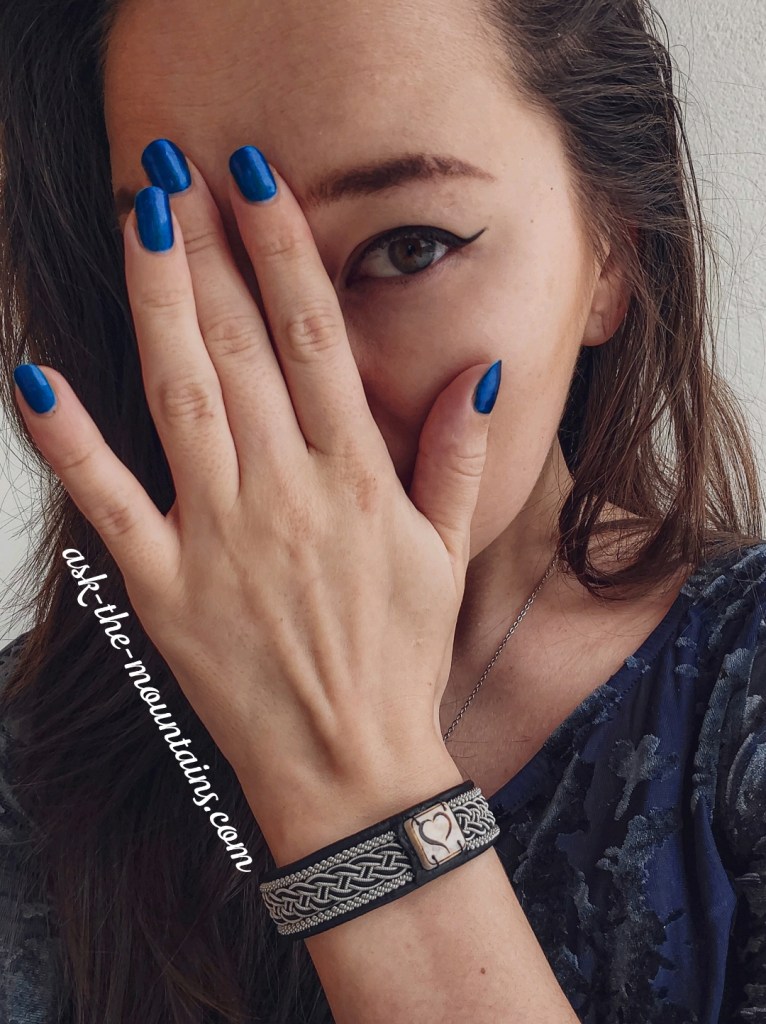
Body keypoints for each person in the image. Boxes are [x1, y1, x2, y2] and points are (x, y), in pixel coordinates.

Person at [0, 0, 764, 1020]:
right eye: (179, 267)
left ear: (611, 256)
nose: (287, 377)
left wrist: (353, 786)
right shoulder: (36, 746)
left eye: (408, 247)